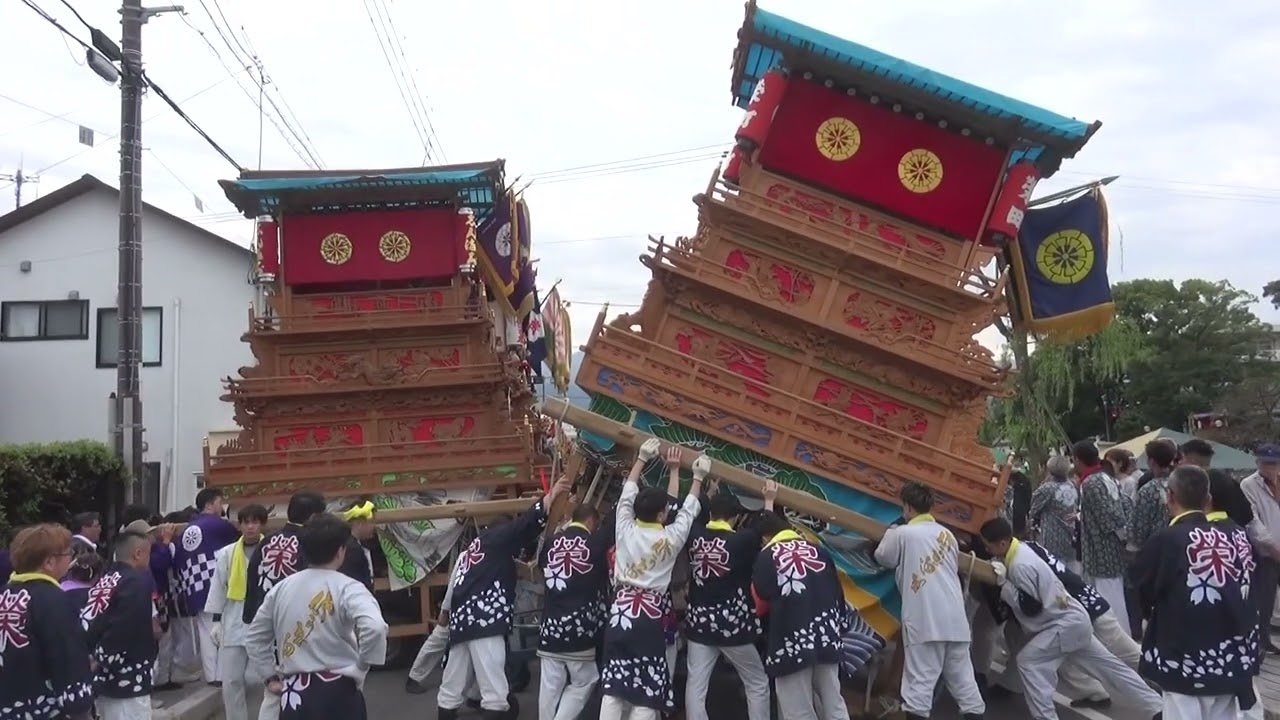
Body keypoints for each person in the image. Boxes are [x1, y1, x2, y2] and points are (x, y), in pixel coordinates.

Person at [980, 520, 1161, 720]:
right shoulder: (1023, 551)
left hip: (1064, 624)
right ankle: (1157, 707)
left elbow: (1030, 607)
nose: (987, 550)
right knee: (1111, 668)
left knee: (1029, 662)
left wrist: (1004, 585)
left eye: (988, 545)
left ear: (1002, 544)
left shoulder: (1020, 565)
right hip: (1073, 620)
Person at [436, 476, 571, 719]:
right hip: (484, 621)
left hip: (462, 621)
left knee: (452, 686)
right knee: (495, 691)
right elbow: (523, 526)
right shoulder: (497, 539)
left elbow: (456, 584)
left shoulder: (474, 550)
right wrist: (551, 497)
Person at [1132, 465, 1259, 718]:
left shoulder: (1167, 539)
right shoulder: (1236, 535)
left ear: (1170, 496)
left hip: (1183, 654)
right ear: (1208, 499)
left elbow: (1141, 588)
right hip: (1232, 654)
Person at [599, 439, 706, 720]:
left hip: (620, 611)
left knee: (614, 684)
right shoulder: (670, 538)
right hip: (651, 615)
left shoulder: (624, 529)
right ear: (661, 515)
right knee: (646, 688)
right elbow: (688, 510)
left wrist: (642, 459)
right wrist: (697, 477)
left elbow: (626, 495)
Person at [246, 514, 388, 719]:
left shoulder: (281, 589)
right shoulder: (348, 588)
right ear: (341, 551)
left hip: (294, 694)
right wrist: (362, 665)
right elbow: (374, 627)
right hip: (340, 690)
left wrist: (269, 676)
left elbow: (255, 637)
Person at [873, 482, 984, 720]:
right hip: (955, 619)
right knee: (965, 683)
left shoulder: (903, 533)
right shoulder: (947, 535)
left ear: (908, 507)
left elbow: (884, 557)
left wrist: (892, 531)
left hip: (925, 619)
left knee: (919, 684)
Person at [684, 482, 773, 720]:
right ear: (735, 518)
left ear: (712, 514)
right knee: (756, 682)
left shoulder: (694, 534)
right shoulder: (741, 541)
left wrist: (706, 495)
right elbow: (764, 528)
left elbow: (689, 513)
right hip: (732, 626)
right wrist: (769, 500)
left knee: (696, 684)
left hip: (699, 622)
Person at [751, 508, 850, 720]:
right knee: (834, 703)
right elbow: (837, 593)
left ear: (764, 538)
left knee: (798, 709)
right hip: (827, 636)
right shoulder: (819, 551)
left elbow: (761, 597)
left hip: (790, 640)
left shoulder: (767, 556)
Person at [243, 490, 328, 720]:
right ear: (312, 517)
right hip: (296, 629)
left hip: (266, 625)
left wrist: (251, 619)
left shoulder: (267, 541)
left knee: (272, 692)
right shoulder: (309, 544)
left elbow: (251, 581)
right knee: (301, 690)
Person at [0, 524, 95, 719]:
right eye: (69, 554)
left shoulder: (4, 593)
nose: (72, 559)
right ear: (50, 562)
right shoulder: (54, 601)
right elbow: (68, 660)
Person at [537, 501, 615, 720]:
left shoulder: (551, 541)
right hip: (578, 628)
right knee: (585, 680)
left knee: (549, 686)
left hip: (549, 626)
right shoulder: (594, 544)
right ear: (591, 521)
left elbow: (542, 567)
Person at [82, 530, 161, 720]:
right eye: (148, 553)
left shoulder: (106, 578)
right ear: (138, 554)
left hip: (101, 676)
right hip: (127, 677)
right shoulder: (137, 581)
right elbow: (123, 626)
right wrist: (102, 659)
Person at [206, 503, 269, 720]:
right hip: (233, 617)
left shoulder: (270, 550)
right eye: (246, 522)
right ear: (240, 525)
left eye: (255, 522)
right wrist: (216, 620)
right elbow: (218, 586)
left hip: (264, 617)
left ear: (262, 524)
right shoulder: (227, 553)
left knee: (265, 678)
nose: (251, 527)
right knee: (231, 680)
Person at [172, 487, 241, 684]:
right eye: (220, 502)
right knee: (222, 628)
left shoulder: (185, 531)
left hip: (193, 583)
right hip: (217, 582)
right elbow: (237, 543)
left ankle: (212, 675)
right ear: (210, 504)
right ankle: (222, 674)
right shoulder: (218, 524)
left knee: (205, 629)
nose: (222, 506)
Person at [404, 551, 481, 705]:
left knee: (474, 652)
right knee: (439, 641)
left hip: (474, 609)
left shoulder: (473, 555)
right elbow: (453, 585)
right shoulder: (469, 556)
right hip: (464, 608)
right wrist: (445, 610)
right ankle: (415, 677)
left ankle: (475, 694)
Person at [1073, 440, 1132, 636]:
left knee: (1109, 599)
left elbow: (1108, 516)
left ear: (1078, 460)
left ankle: (1118, 641)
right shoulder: (1106, 478)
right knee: (1112, 594)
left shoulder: (1091, 482)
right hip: (1110, 547)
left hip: (1102, 550)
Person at [1241, 444, 1280, 657]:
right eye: (1265, 463)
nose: (1270, 468)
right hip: (1265, 553)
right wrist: (1271, 547)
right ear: (1257, 463)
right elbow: (1252, 521)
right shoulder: (1248, 484)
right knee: (1265, 601)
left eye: (1273, 463)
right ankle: (1262, 642)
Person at [1028, 455, 1079, 572]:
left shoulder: (1046, 489)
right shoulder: (1073, 485)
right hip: (1072, 536)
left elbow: (1033, 509)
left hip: (1053, 537)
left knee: (1055, 572)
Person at [1128, 440, 1178, 551]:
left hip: (1155, 547)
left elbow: (1139, 527)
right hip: (1179, 542)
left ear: (1151, 461)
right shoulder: (1180, 483)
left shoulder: (1148, 490)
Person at [340, 501, 377, 591]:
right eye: (371, 522)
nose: (374, 526)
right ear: (360, 523)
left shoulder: (356, 545)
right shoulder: (352, 549)